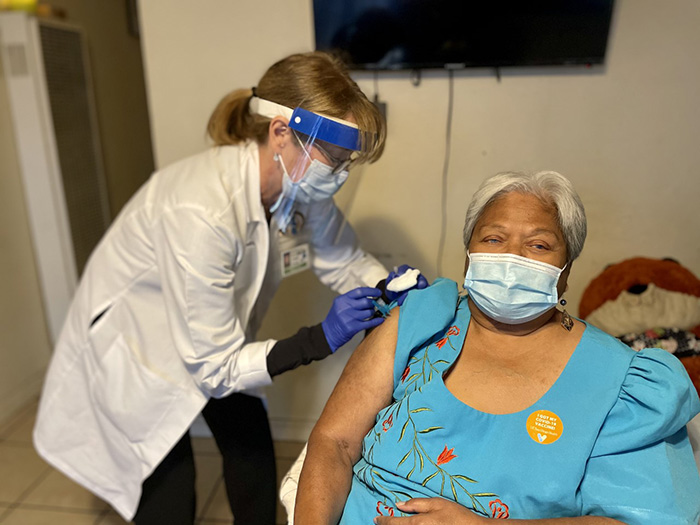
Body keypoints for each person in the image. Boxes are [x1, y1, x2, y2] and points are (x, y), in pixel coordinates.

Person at [32, 51, 427, 525]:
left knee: (253, 456)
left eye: (348, 161)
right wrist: (318, 339)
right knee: (170, 500)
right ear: (281, 131)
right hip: (139, 358)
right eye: (334, 157)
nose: (341, 173)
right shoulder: (201, 211)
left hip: (211, 341)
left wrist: (390, 287)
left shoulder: (298, 184)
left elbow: (341, 258)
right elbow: (215, 367)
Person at [294, 171, 700, 524]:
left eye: (538, 245)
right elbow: (335, 442)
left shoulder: (622, 383)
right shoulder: (421, 320)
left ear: (566, 272)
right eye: (493, 238)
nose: (510, 258)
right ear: (468, 257)